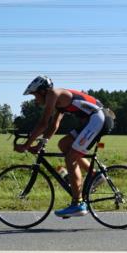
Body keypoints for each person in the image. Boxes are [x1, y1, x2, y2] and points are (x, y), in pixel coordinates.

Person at [15, 75, 110, 217]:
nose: (35, 100)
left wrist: (26, 145)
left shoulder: (53, 94)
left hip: (98, 119)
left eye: (34, 95)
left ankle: (77, 204)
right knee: (64, 144)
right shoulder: (58, 99)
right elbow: (54, 125)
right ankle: (94, 175)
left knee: (71, 157)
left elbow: (43, 123)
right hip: (93, 119)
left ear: (42, 91)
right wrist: (41, 143)